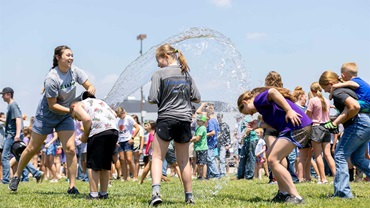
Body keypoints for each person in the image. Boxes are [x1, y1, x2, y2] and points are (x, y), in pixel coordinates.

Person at [9, 45, 96, 193]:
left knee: (70, 149)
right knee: (32, 148)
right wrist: (72, 110)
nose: (71, 58)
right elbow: (52, 105)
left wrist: (90, 92)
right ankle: (16, 176)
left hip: (65, 116)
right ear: (58, 57)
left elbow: (89, 85)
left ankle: (72, 186)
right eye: (68, 55)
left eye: (72, 55)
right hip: (47, 116)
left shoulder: (75, 71)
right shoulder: (52, 78)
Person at [238, 87, 312, 204]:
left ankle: (295, 195)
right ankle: (283, 193)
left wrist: (289, 110)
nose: (252, 113)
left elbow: (272, 91)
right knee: (270, 156)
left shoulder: (258, 100)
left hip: (297, 127)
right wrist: (259, 124)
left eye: (249, 112)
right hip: (294, 127)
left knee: (273, 159)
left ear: (245, 102)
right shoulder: (264, 109)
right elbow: (276, 125)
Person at [147, 44, 201, 206]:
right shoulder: (186, 74)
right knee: (184, 161)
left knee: (157, 157)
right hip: (184, 120)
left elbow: (151, 98)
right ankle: (189, 196)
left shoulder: (159, 74)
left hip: (166, 118)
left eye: (158, 60)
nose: (157, 64)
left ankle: (156, 193)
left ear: (166, 57)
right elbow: (197, 97)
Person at [319, 70, 370, 198]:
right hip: (366, 121)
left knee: (340, 154)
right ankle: (341, 191)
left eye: (324, 88)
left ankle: (342, 193)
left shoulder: (338, 92)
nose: (324, 91)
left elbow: (354, 107)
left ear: (330, 84)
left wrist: (338, 122)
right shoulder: (347, 88)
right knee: (357, 158)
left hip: (359, 123)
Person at [69, 97, 118, 199]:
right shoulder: (99, 102)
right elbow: (115, 114)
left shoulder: (77, 106)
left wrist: (85, 135)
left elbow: (86, 119)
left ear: (72, 107)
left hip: (98, 131)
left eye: (75, 117)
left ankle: (93, 194)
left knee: (93, 165)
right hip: (113, 130)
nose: (77, 119)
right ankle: (103, 193)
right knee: (105, 164)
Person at [1, 87, 44, 185]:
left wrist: (16, 134)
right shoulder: (11, 106)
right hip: (13, 134)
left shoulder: (13, 105)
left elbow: (18, 120)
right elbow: (10, 121)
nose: (2, 96)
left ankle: (5, 180)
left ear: (9, 94)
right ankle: (36, 173)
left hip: (12, 135)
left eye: (3, 94)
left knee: (5, 156)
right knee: (19, 157)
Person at [306, 82, 336, 184]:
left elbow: (308, 115)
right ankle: (336, 177)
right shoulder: (326, 101)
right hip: (327, 127)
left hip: (316, 127)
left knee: (318, 154)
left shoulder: (312, 100)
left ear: (312, 91)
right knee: (328, 154)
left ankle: (323, 178)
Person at [115, 107, 139, 181]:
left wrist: (132, 137)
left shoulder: (129, 118)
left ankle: (135, 176)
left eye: (119, 115)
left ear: (122, 113)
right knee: (122, 159)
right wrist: (116, 140)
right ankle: (125, 177)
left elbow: (137, 127)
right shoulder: (117, 120)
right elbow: (116, 130)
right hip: (120, 141)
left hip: (128, 140)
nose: (118, 117)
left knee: (129, 159)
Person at [190, 114, 208, 180]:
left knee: (203, 163)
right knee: (199, 162)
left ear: (203, 121)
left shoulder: (202, 128)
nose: (197, 121)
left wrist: (190, 140)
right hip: (198, 148)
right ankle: (200, 175)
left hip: (202, 148)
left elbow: (197, 138)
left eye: (199, 120)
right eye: (197, 120)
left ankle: (203, 176)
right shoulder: (198, 127)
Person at [217, 113, 231, 177]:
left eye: (220, 117)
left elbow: (228, 135)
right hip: (217, 144)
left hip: (223, 144)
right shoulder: (217, 125)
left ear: (222, 117)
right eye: (218, 117)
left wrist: (228, 144)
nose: (219, 119)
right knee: (219, 159)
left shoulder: (225, 125)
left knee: (222, 158)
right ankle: (220, 171)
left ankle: (223, 172)